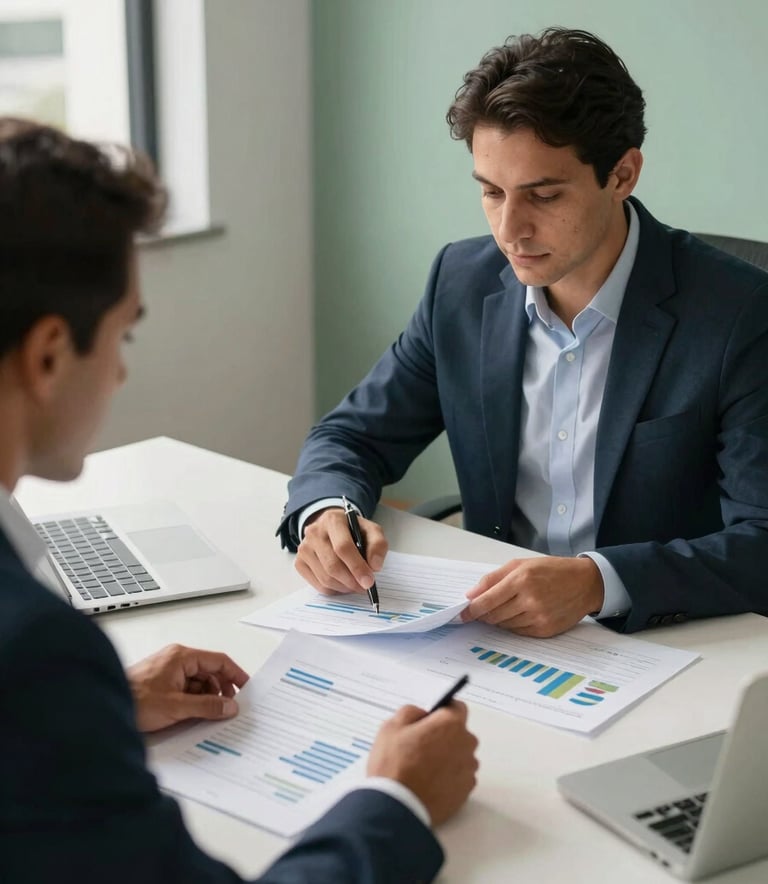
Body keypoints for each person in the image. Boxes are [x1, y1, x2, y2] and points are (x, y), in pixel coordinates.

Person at [0, 118, 478, 883]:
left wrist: (102, 710)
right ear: (51, 353)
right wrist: (397, 799)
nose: (121, 376)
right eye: (125, 337)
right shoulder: (36, 654)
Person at [279, 27, 768, 638]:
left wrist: (597, 581)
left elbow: (761, 541)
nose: (511, 229)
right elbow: (352, 435)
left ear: (622, 174)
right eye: (491, 192)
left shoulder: (740, 313)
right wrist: (328, 511)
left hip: (666, 639)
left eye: (543, 195)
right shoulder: (460, 282)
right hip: (491, 633)